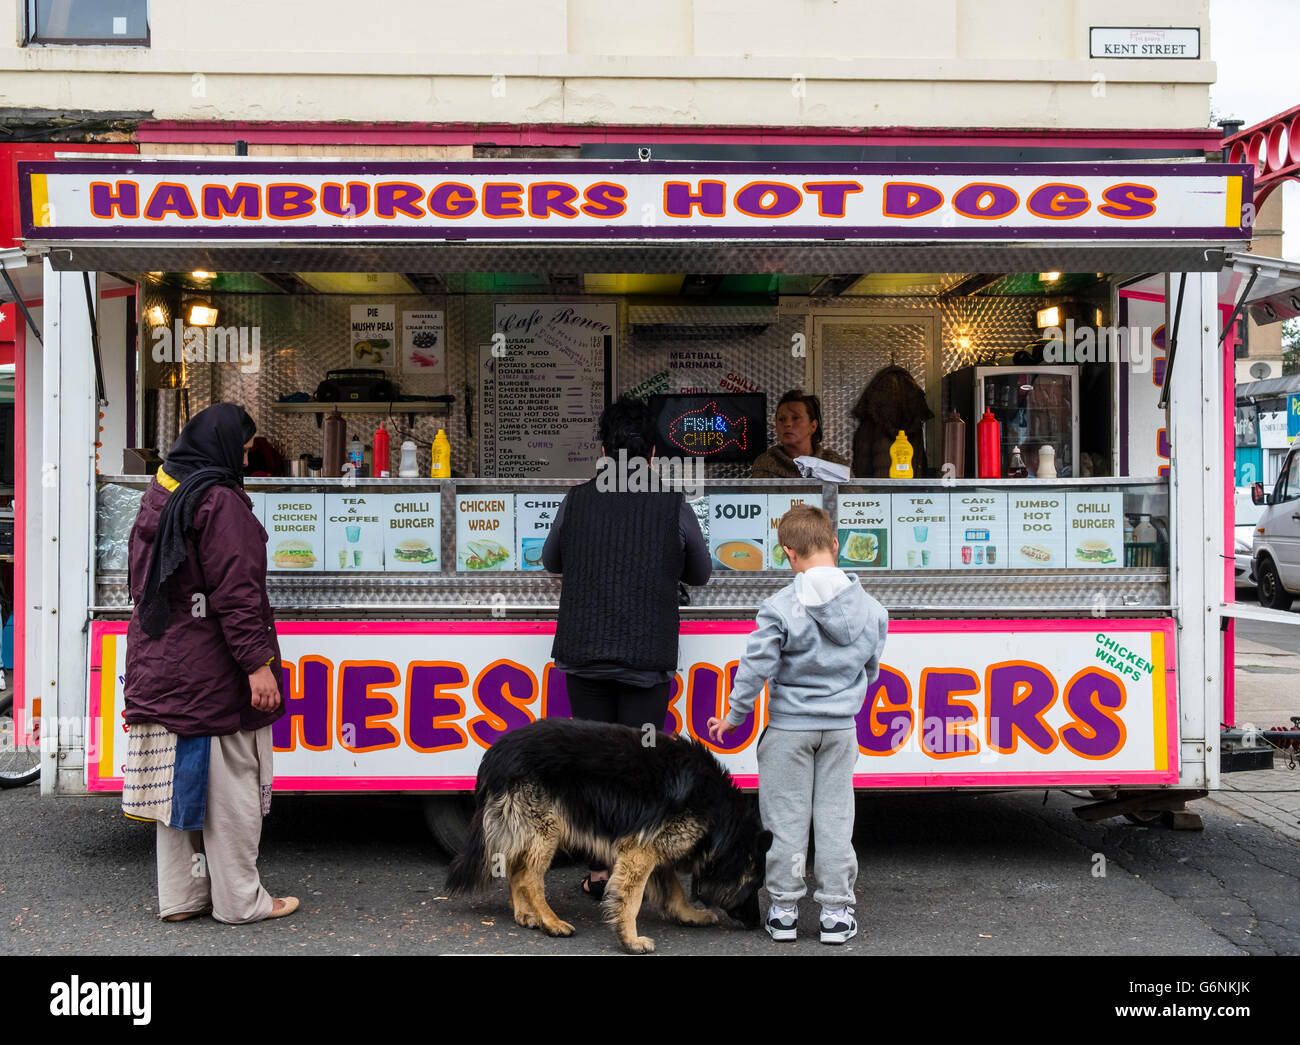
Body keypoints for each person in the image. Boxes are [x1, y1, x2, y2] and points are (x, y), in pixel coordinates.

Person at [121, 402, 298, 924]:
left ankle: (181, 897)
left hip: (161, 664)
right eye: (243, 451)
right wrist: (257, 665)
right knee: (232, 787)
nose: (246, 459)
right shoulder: (220, 502)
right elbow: (237, 596)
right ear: (222, 448)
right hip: (211, 673)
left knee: (180, 786)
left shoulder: (161, 493)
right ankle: (241, 901)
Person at [542, 395, 712, 898]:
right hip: (645, 660)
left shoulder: (577, 498)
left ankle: (598, 870)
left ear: (602, 448)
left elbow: (553, 561)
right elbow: (700, 573)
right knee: (639, 765)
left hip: (585, 655)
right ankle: (628, 873)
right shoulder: (672, 502)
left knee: (594, 764)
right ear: (655, 456)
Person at [707, 505, 887, 944]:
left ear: (788, 552)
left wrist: (734, 715)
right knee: (835, 819)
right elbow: (871, 668)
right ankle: (835, 915)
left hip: (789, 729)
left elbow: (755, 668)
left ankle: (784, 911)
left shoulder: (780, 607)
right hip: (841, 730)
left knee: (785, 821)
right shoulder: (873, 610)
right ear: (835, 544)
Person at [750, 390, 852, 478]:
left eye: (795, 418)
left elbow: (853, 498)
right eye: (781, 419)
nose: (787, 424)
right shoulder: (765, 465)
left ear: (813, 426)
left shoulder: (833, 463)